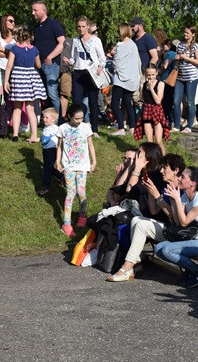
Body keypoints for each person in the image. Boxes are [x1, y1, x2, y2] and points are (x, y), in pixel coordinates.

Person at [107, 153, 185, 281]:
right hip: (168, 227)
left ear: (176, 170)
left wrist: (157, 195)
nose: (161, 171)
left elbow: (175, 218)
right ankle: (135, 263)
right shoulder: (166, 185)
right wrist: (150, 192)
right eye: (161, 167)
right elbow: (154, 211)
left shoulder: (182, 188)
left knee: (141, 224)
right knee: (136, 220)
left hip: (176, 230)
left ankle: (127, 267)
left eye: (165, 168)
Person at [153, 166, 198, 288]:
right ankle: (190, 271)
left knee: (167, 250)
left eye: (182, 177)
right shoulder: (185, 196)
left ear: (192, 183)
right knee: (158, 248)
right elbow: (177, 221)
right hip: (194, 240)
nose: (178, 178)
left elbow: (184, 223)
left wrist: (177, 200)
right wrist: (174, 200)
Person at [56, 104, 97, 237]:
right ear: (69, 116)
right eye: (77, 118)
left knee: (81, 193)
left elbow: (90, 144)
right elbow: (60, 147)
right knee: (70, 193)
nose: (79, 121)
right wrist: (58, 161)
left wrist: (94, 161)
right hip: (68, 166)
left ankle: (82, 217)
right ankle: (66, 224)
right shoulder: (62, 128)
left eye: (81, 118)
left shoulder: (85, 127)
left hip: (83, 166)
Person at [63, 16, 106, 136]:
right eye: (79, 26)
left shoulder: (96, 41)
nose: (81, 29)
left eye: (83, 26)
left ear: (88, 27)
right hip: (78, 72)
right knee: (77, 100)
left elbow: (102, 58)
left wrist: (100, 67)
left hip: (92, 74)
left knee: (93, 102)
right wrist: (69, 61)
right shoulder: (76, 40)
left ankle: (95, 130)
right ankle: (77, 125)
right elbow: (74, 58)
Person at [4, 26, 45, 143]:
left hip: (18, 77)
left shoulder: (14, 49)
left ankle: (15, 134)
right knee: (30, 109)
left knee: (17, 107)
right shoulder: (34, 49)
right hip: (30, 77)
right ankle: (33, 135)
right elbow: (38, 65)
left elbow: (9, 65)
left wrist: (6, 81)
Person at [30, 1, 65, 112]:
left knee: (52, 93)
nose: (32, 13)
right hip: (39, 64)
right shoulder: (36, 27)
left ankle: (59, 122)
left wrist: (50, 57)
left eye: (35, 10)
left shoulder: (54, 24)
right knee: (43, 93)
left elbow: (62, 43)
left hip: (51, 64)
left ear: (43, 11)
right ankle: (49, 119)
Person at [109, 23, 143, 136]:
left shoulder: (120, 45)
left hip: (121, 79)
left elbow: (117, 62)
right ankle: (132, 127)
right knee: (128, 103)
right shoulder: (133, 45)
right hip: (131, 79)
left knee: (114, 103)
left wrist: (113, 59)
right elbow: (138, 62)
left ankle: (121, 127)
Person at [171, 25, 198, 134]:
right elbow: (178, 59)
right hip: (180, 76)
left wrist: (186, 58)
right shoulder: (180, 45)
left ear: (193, 34)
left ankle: (189, 125)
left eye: (187, 33)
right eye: (184, 32)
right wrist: (177, 58)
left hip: (191, 77)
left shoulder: (195, 46)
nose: (185, 34)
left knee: (190, 101)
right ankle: (176, 125)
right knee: (176, 101)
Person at [133, 65, 168, 149]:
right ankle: (152, 160)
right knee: (149, 141)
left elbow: (158, 101)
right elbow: (142, 97)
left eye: (153, 74)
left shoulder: (160, 84)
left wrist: (151, 89)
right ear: (145, 74)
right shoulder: (144, 85)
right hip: (147, 111)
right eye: (148, 75)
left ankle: (164, 160)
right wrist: (140, 101)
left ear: (156, 73)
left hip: (157, 111)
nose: (151, 77)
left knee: (158, 141)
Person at [38, 108, 60, 196]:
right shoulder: (46, 128)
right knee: (48, 168)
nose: (44, 119)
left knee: (47, 169)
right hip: (45, 150)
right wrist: (35, 139)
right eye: (43, 117)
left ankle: (45, 187)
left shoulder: (55, 128)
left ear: (53, 119)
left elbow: (63, 136)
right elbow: (43, 138)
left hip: (52, 151)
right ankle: (63, 177)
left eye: (47, 117)